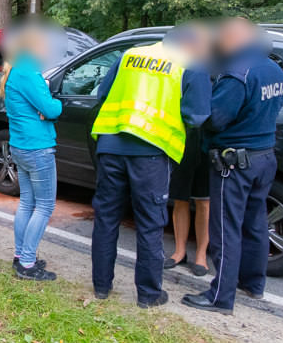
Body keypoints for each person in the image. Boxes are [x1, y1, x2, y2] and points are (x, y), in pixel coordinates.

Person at [90, 25, 211, 308]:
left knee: (106, 218)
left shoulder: (130, 54)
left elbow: (101, 94)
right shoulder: (191, 65)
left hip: (110, 145)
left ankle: (101, 287)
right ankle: (148, 294)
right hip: (151, 153)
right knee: (149, 223)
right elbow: (197, 116)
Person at [182, 19, 283, 315]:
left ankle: (220, 297)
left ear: (232, 38)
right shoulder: (273, 67)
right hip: (264, 158)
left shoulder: (236, 73)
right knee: (255, 223)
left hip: (234, 162)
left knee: (226, 229)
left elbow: (216, 119)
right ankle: (253, 284)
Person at [0, 26, 63, 281]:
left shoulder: (16, 70)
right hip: (38, 147)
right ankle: (27, 263)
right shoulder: (29, 72)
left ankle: (21, 256)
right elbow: (51, 109)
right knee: (44, 205)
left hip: (21, 146)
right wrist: (56, 102)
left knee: (27, 202)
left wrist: (45, 105)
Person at [165, 128, 210, 276]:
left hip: (208, 144)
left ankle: (201, 255)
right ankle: (179, 252)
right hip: (182, 141)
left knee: (203, 202)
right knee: (180, 199)